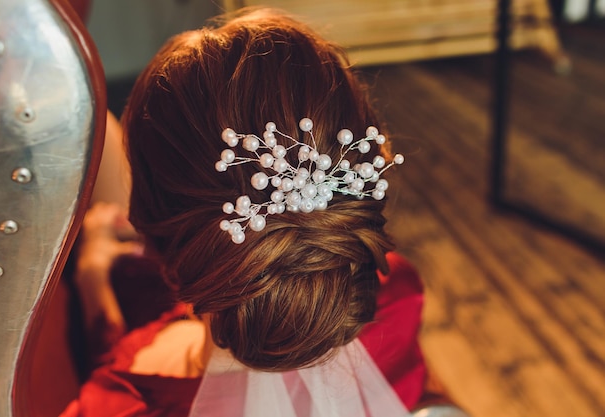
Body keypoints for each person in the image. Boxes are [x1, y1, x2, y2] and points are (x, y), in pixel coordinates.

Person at [61, 8, 429, 417]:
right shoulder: (398, 299)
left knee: (102, 130)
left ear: (144, 224)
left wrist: (92, 282)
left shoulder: (121, 399)